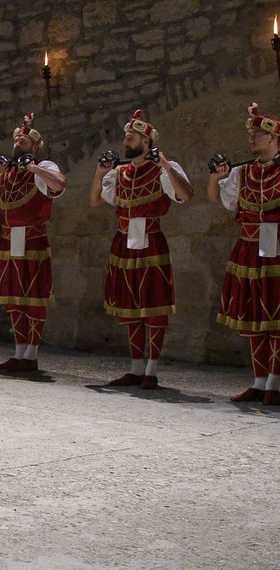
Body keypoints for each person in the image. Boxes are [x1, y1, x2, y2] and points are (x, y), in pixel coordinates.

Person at [89, 110, 193, 389]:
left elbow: (185, 195)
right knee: (129, 305)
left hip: (151, 242)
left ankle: (151, 369)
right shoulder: (119, 173)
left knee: (153, 304)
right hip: (123, 243)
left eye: (132, 137)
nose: (127, 140)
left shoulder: (161, 169)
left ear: (146, 142)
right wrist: (100, 174)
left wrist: (168, 167)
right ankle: (135, 367)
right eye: (126, 136)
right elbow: (96, 200)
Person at [0, 113, 66, 372]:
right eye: (16, 142)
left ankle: (31, 355)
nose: (17, 145)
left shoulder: (44, 167)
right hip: (9, 240)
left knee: (33, 296)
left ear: (35, 147)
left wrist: (34, 167)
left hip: (33, 241)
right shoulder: (6, 175)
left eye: (23, 143)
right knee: (14, 297)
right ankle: (18, 352)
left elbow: (59, 184)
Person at [208, 103, 280, 404]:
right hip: (248, 249)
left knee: (275, 317)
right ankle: (259, 380)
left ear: (273, 138)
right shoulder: (242, 173)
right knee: (252, 316)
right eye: (250, 133)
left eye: (257, 134)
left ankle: (275, 383)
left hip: (277, 250)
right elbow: (217, 199)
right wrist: (216, 177)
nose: (251, 138)